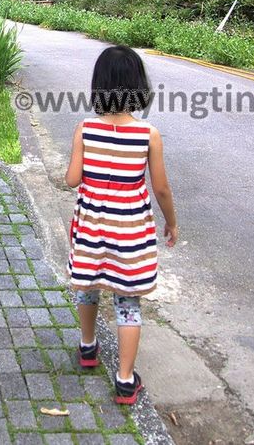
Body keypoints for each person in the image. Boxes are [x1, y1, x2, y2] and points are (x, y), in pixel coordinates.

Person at [64, 45, 179, 405]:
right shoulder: (149, 135)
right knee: (127, 301)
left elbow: (71, 179)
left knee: (88, 286)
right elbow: (160, 187)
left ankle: (87, 348)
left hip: (93, 227)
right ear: (138, 86)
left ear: (99, 86)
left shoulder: (85, 129)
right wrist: (172, 223)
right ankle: (126, 380)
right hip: (129, 231)